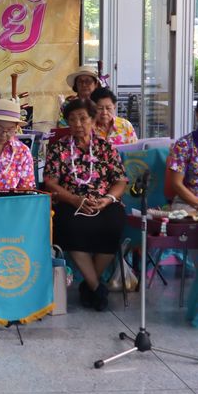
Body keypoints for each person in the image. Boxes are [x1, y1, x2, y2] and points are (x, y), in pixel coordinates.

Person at [44, 98, 128, 311]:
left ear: (93, 119)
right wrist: (74, 199)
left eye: (83, 118)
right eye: (72, 119)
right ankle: (96, 287)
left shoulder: (105, 147)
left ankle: (89, 285)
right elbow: (50, 182)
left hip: (102, 202)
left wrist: (108, 199)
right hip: (70, 201)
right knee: (69, 226)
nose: (78, 124)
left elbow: (120, 181)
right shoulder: (58, 148)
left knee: (114, 224)